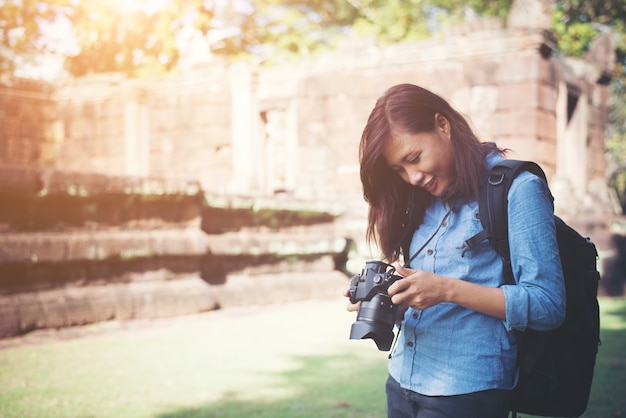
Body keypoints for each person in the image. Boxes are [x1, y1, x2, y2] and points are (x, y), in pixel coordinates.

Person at [345, 83, 566, 418]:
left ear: (442, 125)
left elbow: (548, 306)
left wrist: (446, 289)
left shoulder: (517, 190)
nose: (413, 176)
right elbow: (423, 298)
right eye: (399, 170)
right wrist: (387, 294)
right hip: (402, 380)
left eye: (414, 158)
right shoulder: (420, 200)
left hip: (468, 393)